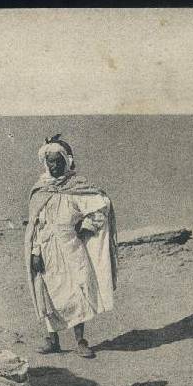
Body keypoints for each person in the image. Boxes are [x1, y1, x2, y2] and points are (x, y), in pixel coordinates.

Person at [23, 135, 118, 359]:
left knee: (77, 292)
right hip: (46, 251)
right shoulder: (41, 190)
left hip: (71, 248)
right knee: (47, 292)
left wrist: (85, 228)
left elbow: (100, 208)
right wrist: (35, 252)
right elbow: (36, 226)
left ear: (66, 161)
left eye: (57, 161)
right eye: (50, 161)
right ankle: (52, 340)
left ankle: (80, 341)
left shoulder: (77, 187)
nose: (53, 166)